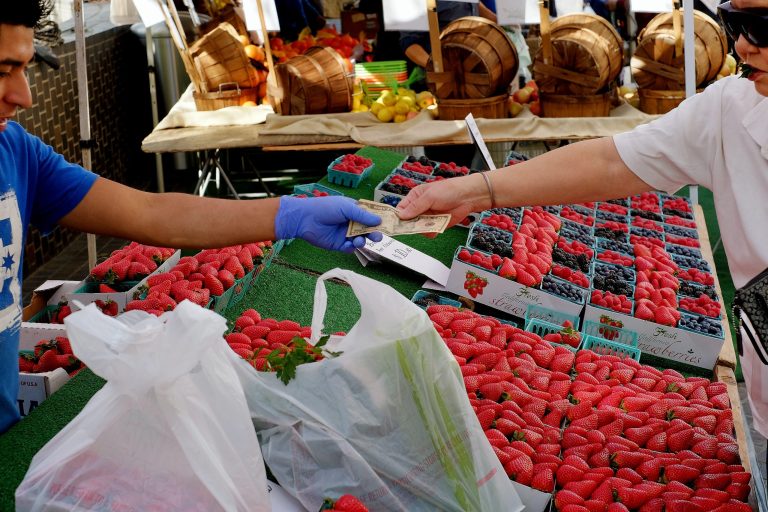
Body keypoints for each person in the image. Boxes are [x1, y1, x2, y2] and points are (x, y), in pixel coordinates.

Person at [0, 1, 382, 434]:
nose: (24, 96)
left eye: (25, 69)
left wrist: (288, 214)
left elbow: (150, 213)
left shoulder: (16, 150)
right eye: (3, 71)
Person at [397, 0, 768, 433]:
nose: (743, 46)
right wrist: (474, 191)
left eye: (760, 26)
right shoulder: (729, 108)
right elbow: (612, 162)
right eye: (734, 23)